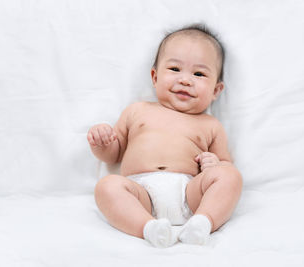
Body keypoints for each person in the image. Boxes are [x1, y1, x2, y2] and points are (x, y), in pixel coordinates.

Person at [87, 24, 242, 248]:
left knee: (232, 178)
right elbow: (113, 154)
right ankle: (149, 228)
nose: (185, 80)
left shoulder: (210, 125)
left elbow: (226, 165)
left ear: (216, 91)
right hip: (140, 195)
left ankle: (203, 222)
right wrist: (102, 142)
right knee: (106, 186)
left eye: (199, 74)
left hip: (190, 195)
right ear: (155, 76)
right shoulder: (137, 110)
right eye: (175, 69)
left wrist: (216, 164)